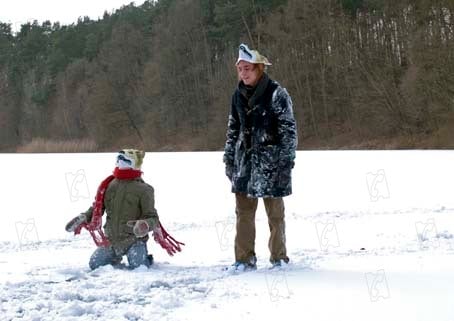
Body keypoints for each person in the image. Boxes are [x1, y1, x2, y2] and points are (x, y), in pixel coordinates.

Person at [223, 43, 297, 271]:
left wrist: (286, 161)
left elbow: (288, 130)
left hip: (271, 163)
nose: (243, 73)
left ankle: (279, 258)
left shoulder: (277, 93)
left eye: (248, 68)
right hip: (244, 165)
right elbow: (233, 128)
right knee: (243, 214)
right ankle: (244, 259)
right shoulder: (237, 95)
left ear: (259, 69)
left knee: (275, 214)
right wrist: (229, 158)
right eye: (240, 69)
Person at [65, 149, 161, 270]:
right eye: (118, 159)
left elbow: (153, 217)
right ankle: (115, 257)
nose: (120, 162)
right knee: (95, 264)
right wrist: (84, 217)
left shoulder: (144, 189)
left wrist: (145, 224)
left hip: (134, 240)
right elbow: (97, 208)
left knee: (139, 266)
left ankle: (146, 258)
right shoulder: (108, 185)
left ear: (135, 164)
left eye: (125, 160)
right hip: (111, 240)